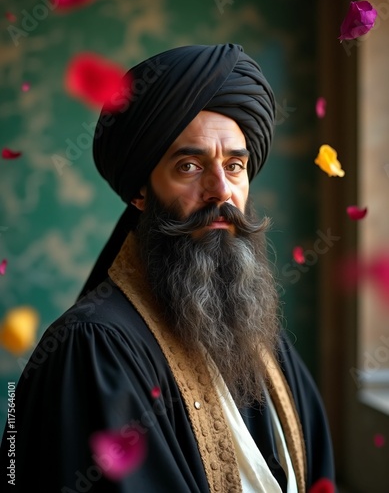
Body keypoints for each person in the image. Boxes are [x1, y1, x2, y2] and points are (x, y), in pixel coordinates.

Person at [0, 44, 335, 492]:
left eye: (235, 166)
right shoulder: (96, 349)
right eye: (190, 165)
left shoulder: (257, 332)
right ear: (141, 191)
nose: (221, 191)